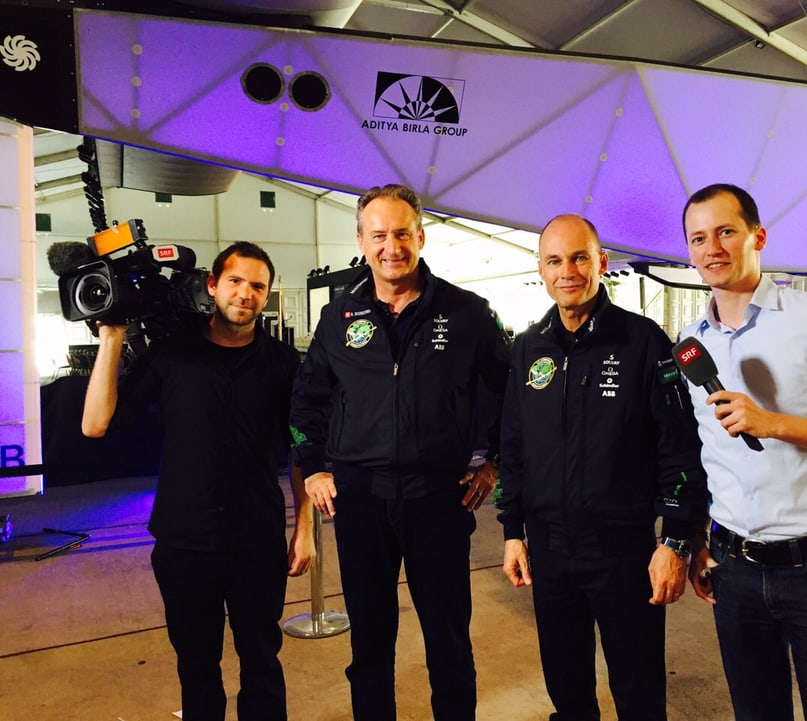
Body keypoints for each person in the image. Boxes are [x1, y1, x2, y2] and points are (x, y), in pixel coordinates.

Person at [288, 183, 512, 721]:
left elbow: (509, 399)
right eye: (380, 234)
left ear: (421, 237)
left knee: (448, 640)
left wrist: (496, 466)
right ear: (363, 240)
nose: (393, 246)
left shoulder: (468, 314)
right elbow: (305, 403)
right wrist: (315, 467)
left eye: (403, 233)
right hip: (359, 499)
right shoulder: (338, 318)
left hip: (438, 497)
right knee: (369, 644)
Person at [679, 183, 807, 721]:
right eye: (699, 238)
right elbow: (706, 454)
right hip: (733, 569)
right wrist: (700, 541)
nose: (713, 248)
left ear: (758, 236)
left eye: (726, 231)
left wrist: (772, 423)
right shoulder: (690, 341)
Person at [82, 241, 314, 721]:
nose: (245, 294)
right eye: (235, 281)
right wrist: (111, 339)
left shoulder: (284, 365)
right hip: (184, 543)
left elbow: (302, 449)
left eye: (257, 286)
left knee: (262, 665)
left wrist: (305, 528)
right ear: (212, 286)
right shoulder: (172, 356)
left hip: (257, 541)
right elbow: (94, 424)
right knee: (197, 668)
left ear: (267, 297)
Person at [497, 214, 709, 721]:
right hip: (550, 550)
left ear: (601, 264)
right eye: (554, 260)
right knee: (567, 690)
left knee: (637, 693)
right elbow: (515, 445)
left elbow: (678, 448)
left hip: (622, 552)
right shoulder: (528, 348)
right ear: (541, 270)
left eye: (579, 258)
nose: (566, 271)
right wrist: (512, 530)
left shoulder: (643, 341)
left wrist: (675, 540)